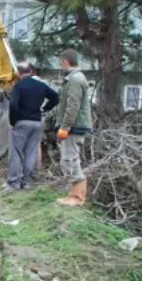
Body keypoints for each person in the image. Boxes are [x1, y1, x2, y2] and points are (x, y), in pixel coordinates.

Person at [6, 62, 59, 191]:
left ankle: (14, 183)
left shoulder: (18, 86)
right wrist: (44, 109)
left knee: (17, 153)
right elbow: (56, 97)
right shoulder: (41, 85)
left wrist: (13, 122)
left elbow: (13, 105)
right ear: (32, 72)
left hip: (21, 122)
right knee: (30, 152)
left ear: (19, 73)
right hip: (37, 122)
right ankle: (27, 182)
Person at [53, 49, 93, 206]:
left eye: (60, 63)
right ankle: (74, 195)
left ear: (65, 61)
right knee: (68, 159)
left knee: (70, 159)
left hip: (74, 126)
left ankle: (77, 198)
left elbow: (73, 105)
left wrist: (65, 127)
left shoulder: (75, 80)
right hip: (74, 125)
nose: (59, 66)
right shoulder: (74, 78)